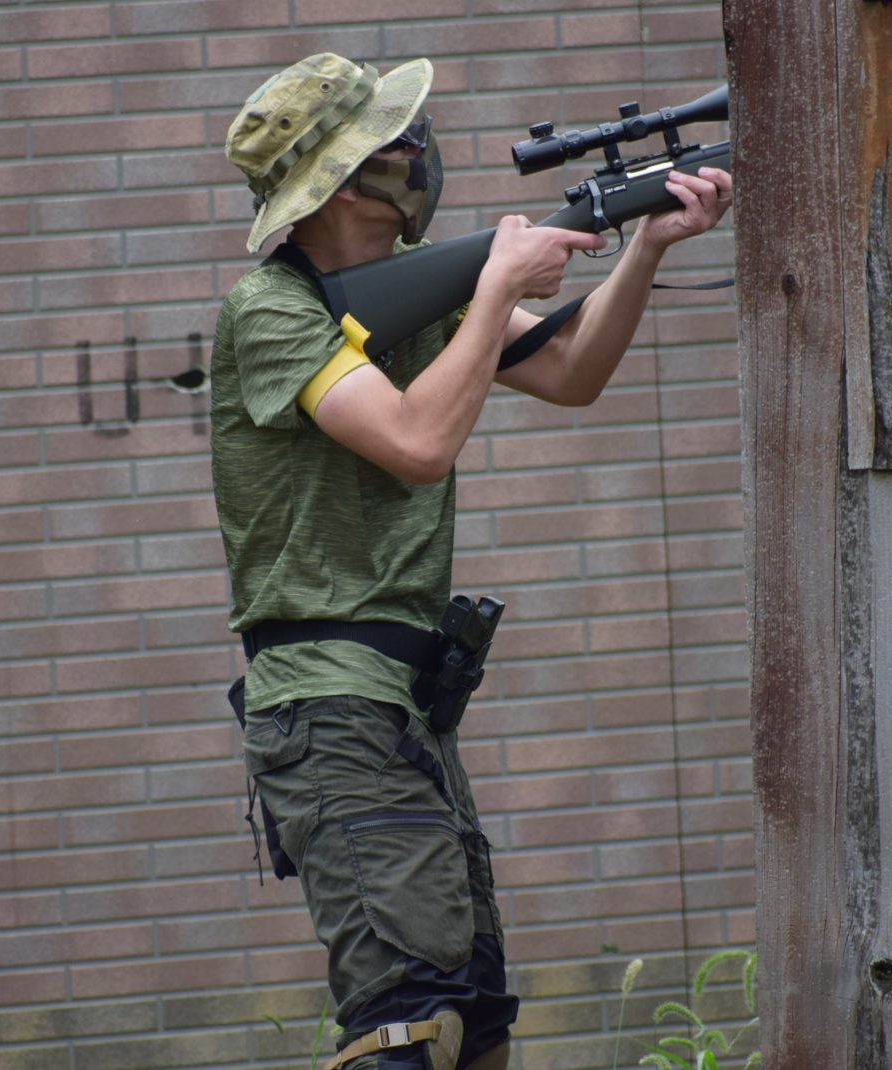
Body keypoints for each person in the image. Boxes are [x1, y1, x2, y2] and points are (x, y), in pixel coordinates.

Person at [211, 54, 732, 1070]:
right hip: (330, 703)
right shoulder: (270, 310)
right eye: (400, 139)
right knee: (412, 1026)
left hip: (405, 706)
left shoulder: (427, 293)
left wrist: (645, 244)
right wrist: (494, 288)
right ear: (348, 179)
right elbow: (416, 442)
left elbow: (572, 371)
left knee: (474, 1023)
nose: (423, 151)